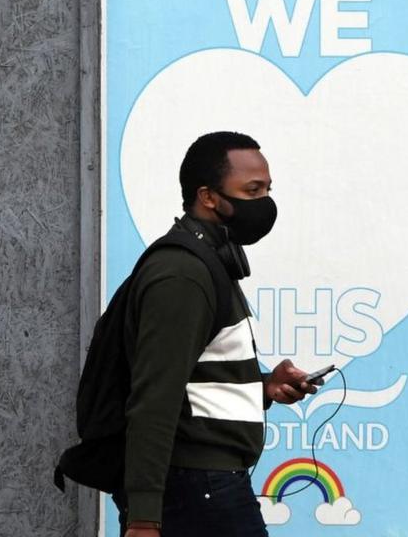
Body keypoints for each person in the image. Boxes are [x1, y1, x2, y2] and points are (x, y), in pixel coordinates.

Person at [116, 131, 314, 537]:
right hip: (197, 489)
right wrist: (143, 517)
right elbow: (155, 398)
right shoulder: (183, 274)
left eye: (267, 189)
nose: (264, 203)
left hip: (210, 485)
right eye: (252, 190)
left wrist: (264, 387)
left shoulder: (210, 262)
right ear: (208, 197)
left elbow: (195, 380)